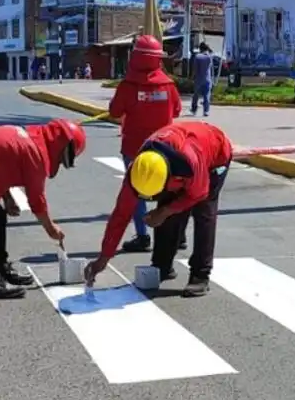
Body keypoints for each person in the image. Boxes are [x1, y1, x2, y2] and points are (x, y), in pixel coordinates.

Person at [84, 120, 231, 298]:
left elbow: (199, 193)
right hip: (176, 162)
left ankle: (200, 274)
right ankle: (162, 266)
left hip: (214, 157)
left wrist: (166, 211)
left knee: (204, 213)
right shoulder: (139, 171)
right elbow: (121, 215)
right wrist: (104, 258)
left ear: (168, 179)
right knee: (167, 210)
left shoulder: (190, 161)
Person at [0, 118, 87, 299]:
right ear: (60, 144)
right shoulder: (35, 153)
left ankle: (1, 269)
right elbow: (36, 200)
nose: (60, 162)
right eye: (64, 157)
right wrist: (51, 228)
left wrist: (7, 197)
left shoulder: (30, 139)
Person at [108, 34, 182, 254]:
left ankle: (142, 236)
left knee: (136, 191)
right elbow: (177, 110)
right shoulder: (168, 84)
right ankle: (177, 234)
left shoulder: (128, 85)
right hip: (166, 146)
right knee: (170, 189)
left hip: (135, 147)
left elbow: (114, 111)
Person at [190, 41, 214, 117]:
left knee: (196, 95)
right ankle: (206, 111)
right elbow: (212, 52)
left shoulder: (198, 57)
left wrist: (192, 77)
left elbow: (195, 69)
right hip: (207, 79)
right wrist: (209, 49)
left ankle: (194, 110)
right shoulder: (209, 57)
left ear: (200, 49)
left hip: (199, 79)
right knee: (206, 95)